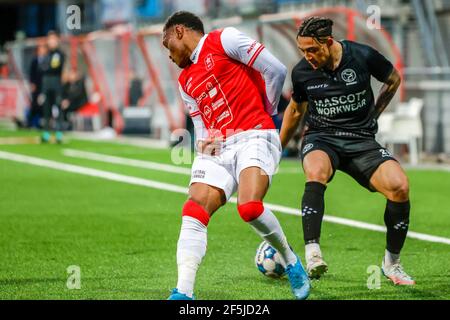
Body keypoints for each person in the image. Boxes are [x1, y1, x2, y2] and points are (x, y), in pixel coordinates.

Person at [162, 11, 310, 300]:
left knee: (249, 208)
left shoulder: (224, 39)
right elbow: (200, 124)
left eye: (167, 44)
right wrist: (202, 145)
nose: (168, 55)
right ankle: (184, 291)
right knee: (194, 209)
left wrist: (266, 111)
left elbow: (276, 70)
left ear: (179, 31)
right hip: (219, 147)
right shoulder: (185, 82)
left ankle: (290, 260)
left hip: (255, 135)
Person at [280, 16, 415, 285]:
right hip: (322, 137)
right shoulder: (302, 72)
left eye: (312, 50)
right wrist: (276, 148)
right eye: (302, 50)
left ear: (329, 42)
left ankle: (392, 263)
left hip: (361, 141)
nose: (307, 56)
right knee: (315, 171)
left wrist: (374, 113)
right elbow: (295, 111)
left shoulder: (362, 56)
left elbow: (393, 79)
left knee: (399, 187)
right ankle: (313, 253)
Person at [41, 30, 65, 143]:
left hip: (56, 84)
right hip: (46, 84)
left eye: (53, 39)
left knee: (58, 108)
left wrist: (46, 67)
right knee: (46, 109)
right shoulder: (47, 54)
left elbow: (54, 67)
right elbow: (42, 68)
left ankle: (59, 133)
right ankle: (46, 133)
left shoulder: (59, 54)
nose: (51, 42)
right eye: (49, 39)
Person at [27, 42, 47, 128]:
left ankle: (42, 123)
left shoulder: (47, 60)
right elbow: (31, 74)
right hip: (36, 87)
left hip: (44, 86)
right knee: (34, 104)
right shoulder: (34, 61)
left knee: (43, 104)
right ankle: (29, 122)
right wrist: (32, 84)